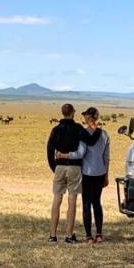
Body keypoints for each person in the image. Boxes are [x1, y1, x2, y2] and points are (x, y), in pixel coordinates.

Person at [46, 103, 85, 243]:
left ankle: (52, 235)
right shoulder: (79, 129)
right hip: (74, 167)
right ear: (73, 112)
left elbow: (49, 150)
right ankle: (69, 235)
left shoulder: (56, 129)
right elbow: (85, 148)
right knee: (72, 200)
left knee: (57, 199)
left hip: (59, 167)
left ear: (62, 113)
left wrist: (54, 167)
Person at [78, 106, 110, 243]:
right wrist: (106, 175)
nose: (84, 118)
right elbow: (106, 157)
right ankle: (99, 234)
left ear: (89, 117)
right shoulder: (104, 134)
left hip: (87, 173)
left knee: (86, 203)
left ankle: (88, 236)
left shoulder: (84, 134)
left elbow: (80, 153)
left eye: (85, 116)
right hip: (100, 172)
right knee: (97, 203)